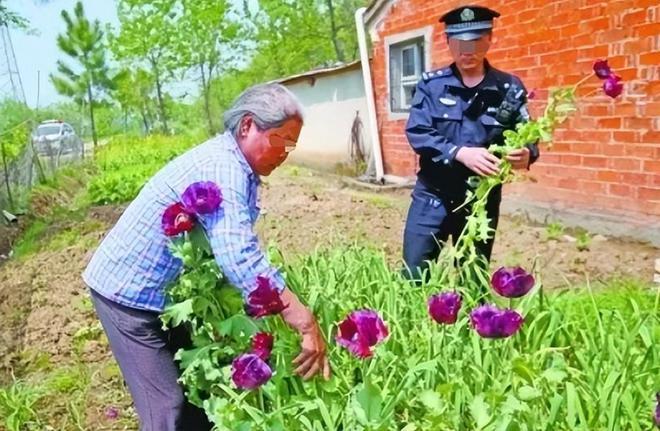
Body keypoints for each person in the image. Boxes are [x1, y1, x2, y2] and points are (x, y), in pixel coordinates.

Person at [83, 83, 331, 430]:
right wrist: (303, 319)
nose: (286, 152)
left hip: (163, 298)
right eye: (280, 139)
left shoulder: (237, 167)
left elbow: (226, 249)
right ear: (247, 126)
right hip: (128, 296)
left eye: (292, 144)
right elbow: (239, 256)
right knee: (166, 410)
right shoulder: (222, 166)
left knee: (195, 398)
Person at [403, 5, 540, 280]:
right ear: (448, 42)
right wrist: (459, 153)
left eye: (476, 40)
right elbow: (418, 131)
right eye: (460, 42)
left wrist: (527, 153)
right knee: (414, 273)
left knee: (473, 277)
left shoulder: (509, 88)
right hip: (433, 195)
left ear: (490, 38)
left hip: (480, 198)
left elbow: (529, 134)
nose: (468, 50)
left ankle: (471, 323)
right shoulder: (432, 86)